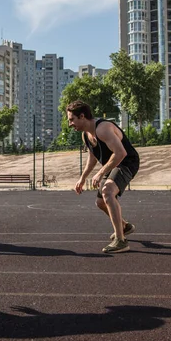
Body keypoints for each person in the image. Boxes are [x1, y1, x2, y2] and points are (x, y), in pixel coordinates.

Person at [67, 101, 140, 253]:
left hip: (127, 162)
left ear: (82, 116)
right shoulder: (86, 135)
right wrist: (82, 178)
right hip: (113, 164)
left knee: (107, 191)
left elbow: (121, 153)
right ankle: (124, 226)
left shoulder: (103, 128)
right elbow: (93, 157)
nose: (70, 124)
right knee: (100, 202)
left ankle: (120, 241)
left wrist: (100, 173)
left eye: (71, 119)